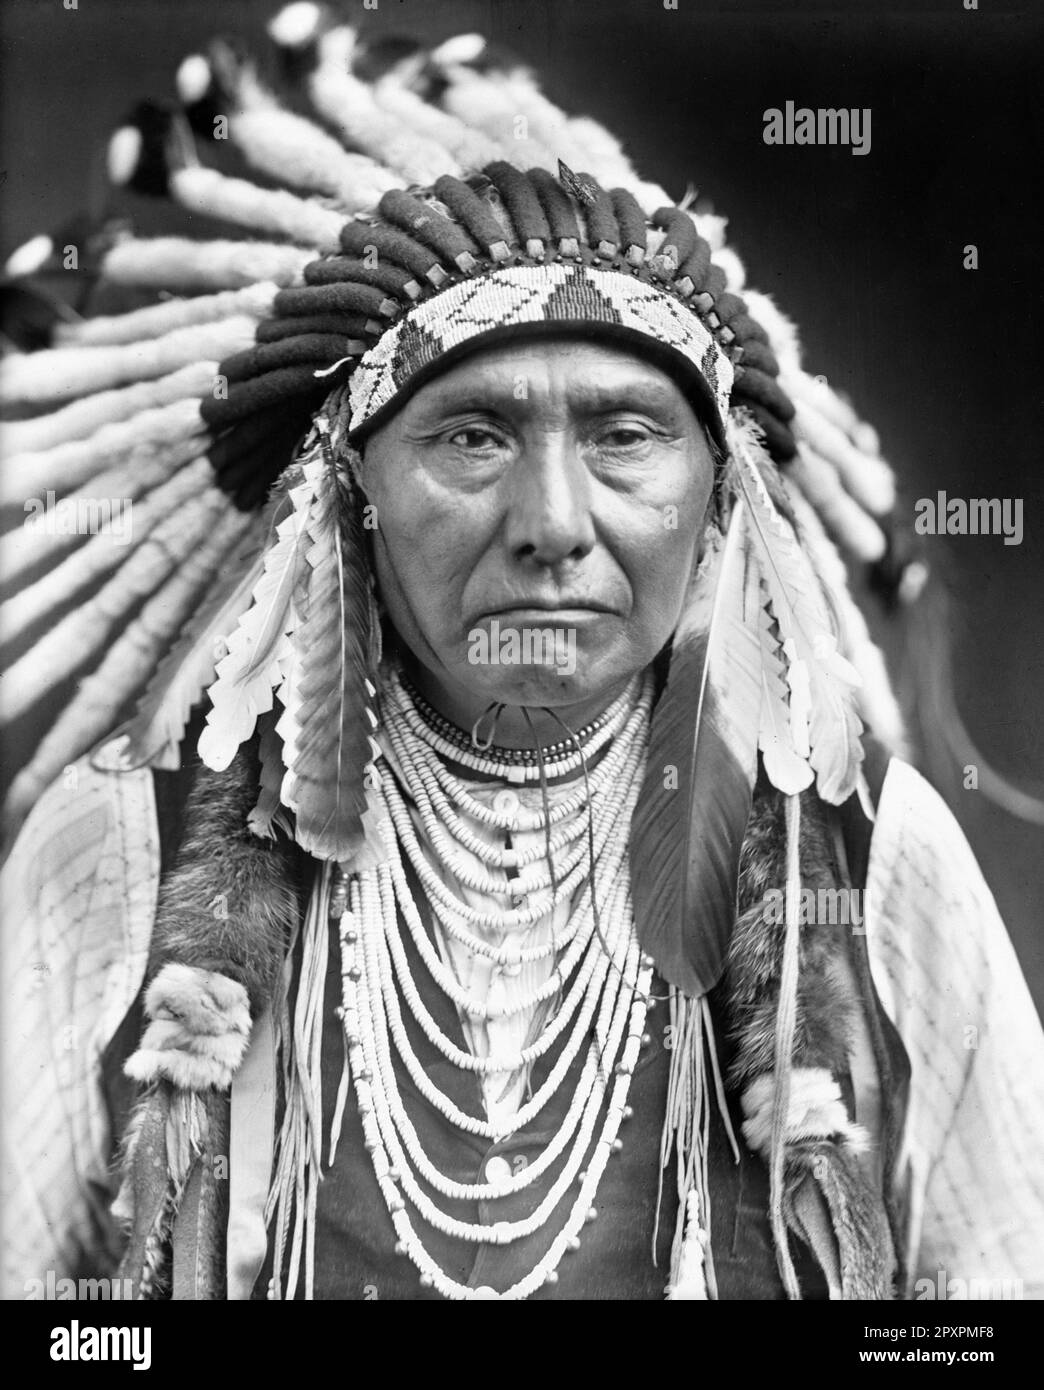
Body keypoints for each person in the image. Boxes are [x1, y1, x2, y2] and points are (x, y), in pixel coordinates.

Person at [2, 14, 1042, 1302]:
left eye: (624, 435)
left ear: (721, 501)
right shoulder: (122, 851)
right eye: (475, 436)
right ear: (349, 490)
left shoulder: (874, 862)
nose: (554, 524)